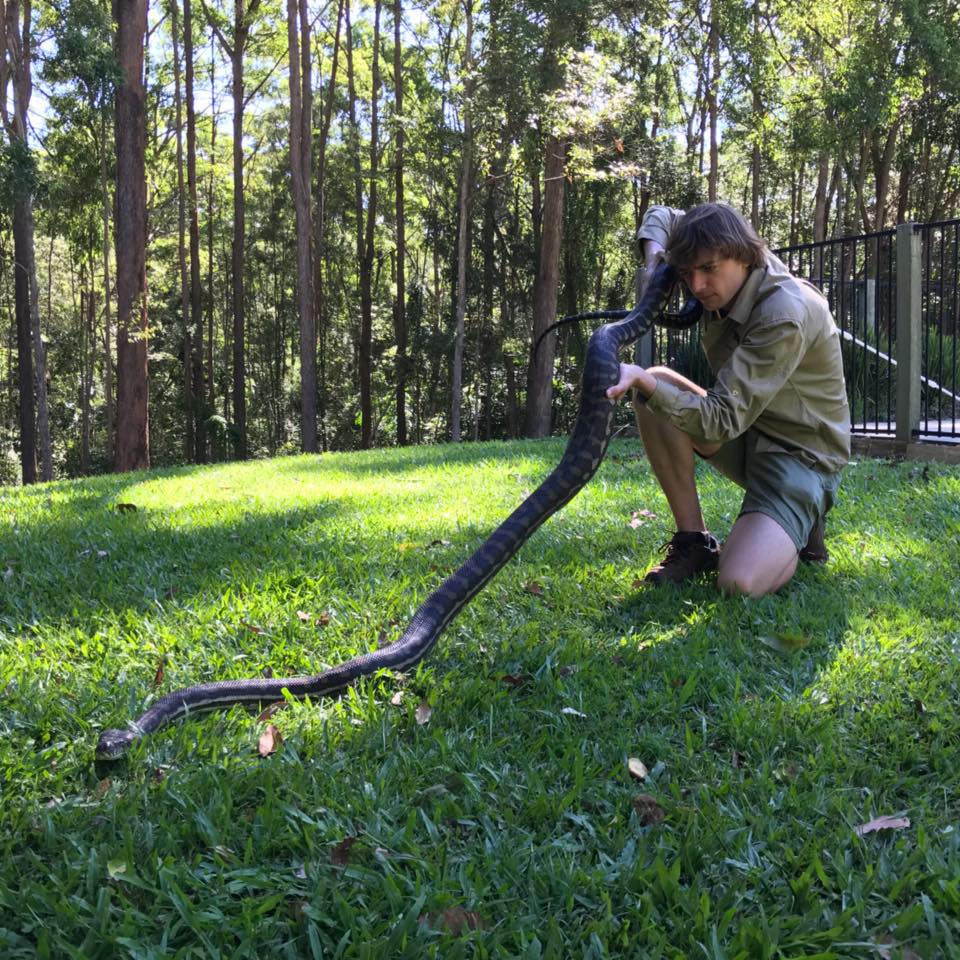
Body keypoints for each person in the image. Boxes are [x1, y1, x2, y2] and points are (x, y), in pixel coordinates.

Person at [606, 203, 851, 597]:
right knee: (654, 385)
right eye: (687, 274)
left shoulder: (783, 313)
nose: (697, 286)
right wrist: (655, 257)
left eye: (708, 269)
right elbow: (665, 215)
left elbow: (719, 420)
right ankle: (694, 542)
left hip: (800, 457)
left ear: (741, 253)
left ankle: (804, 525)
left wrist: (648, 387)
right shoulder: (729, 259)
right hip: (750, 433)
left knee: (738, 583)